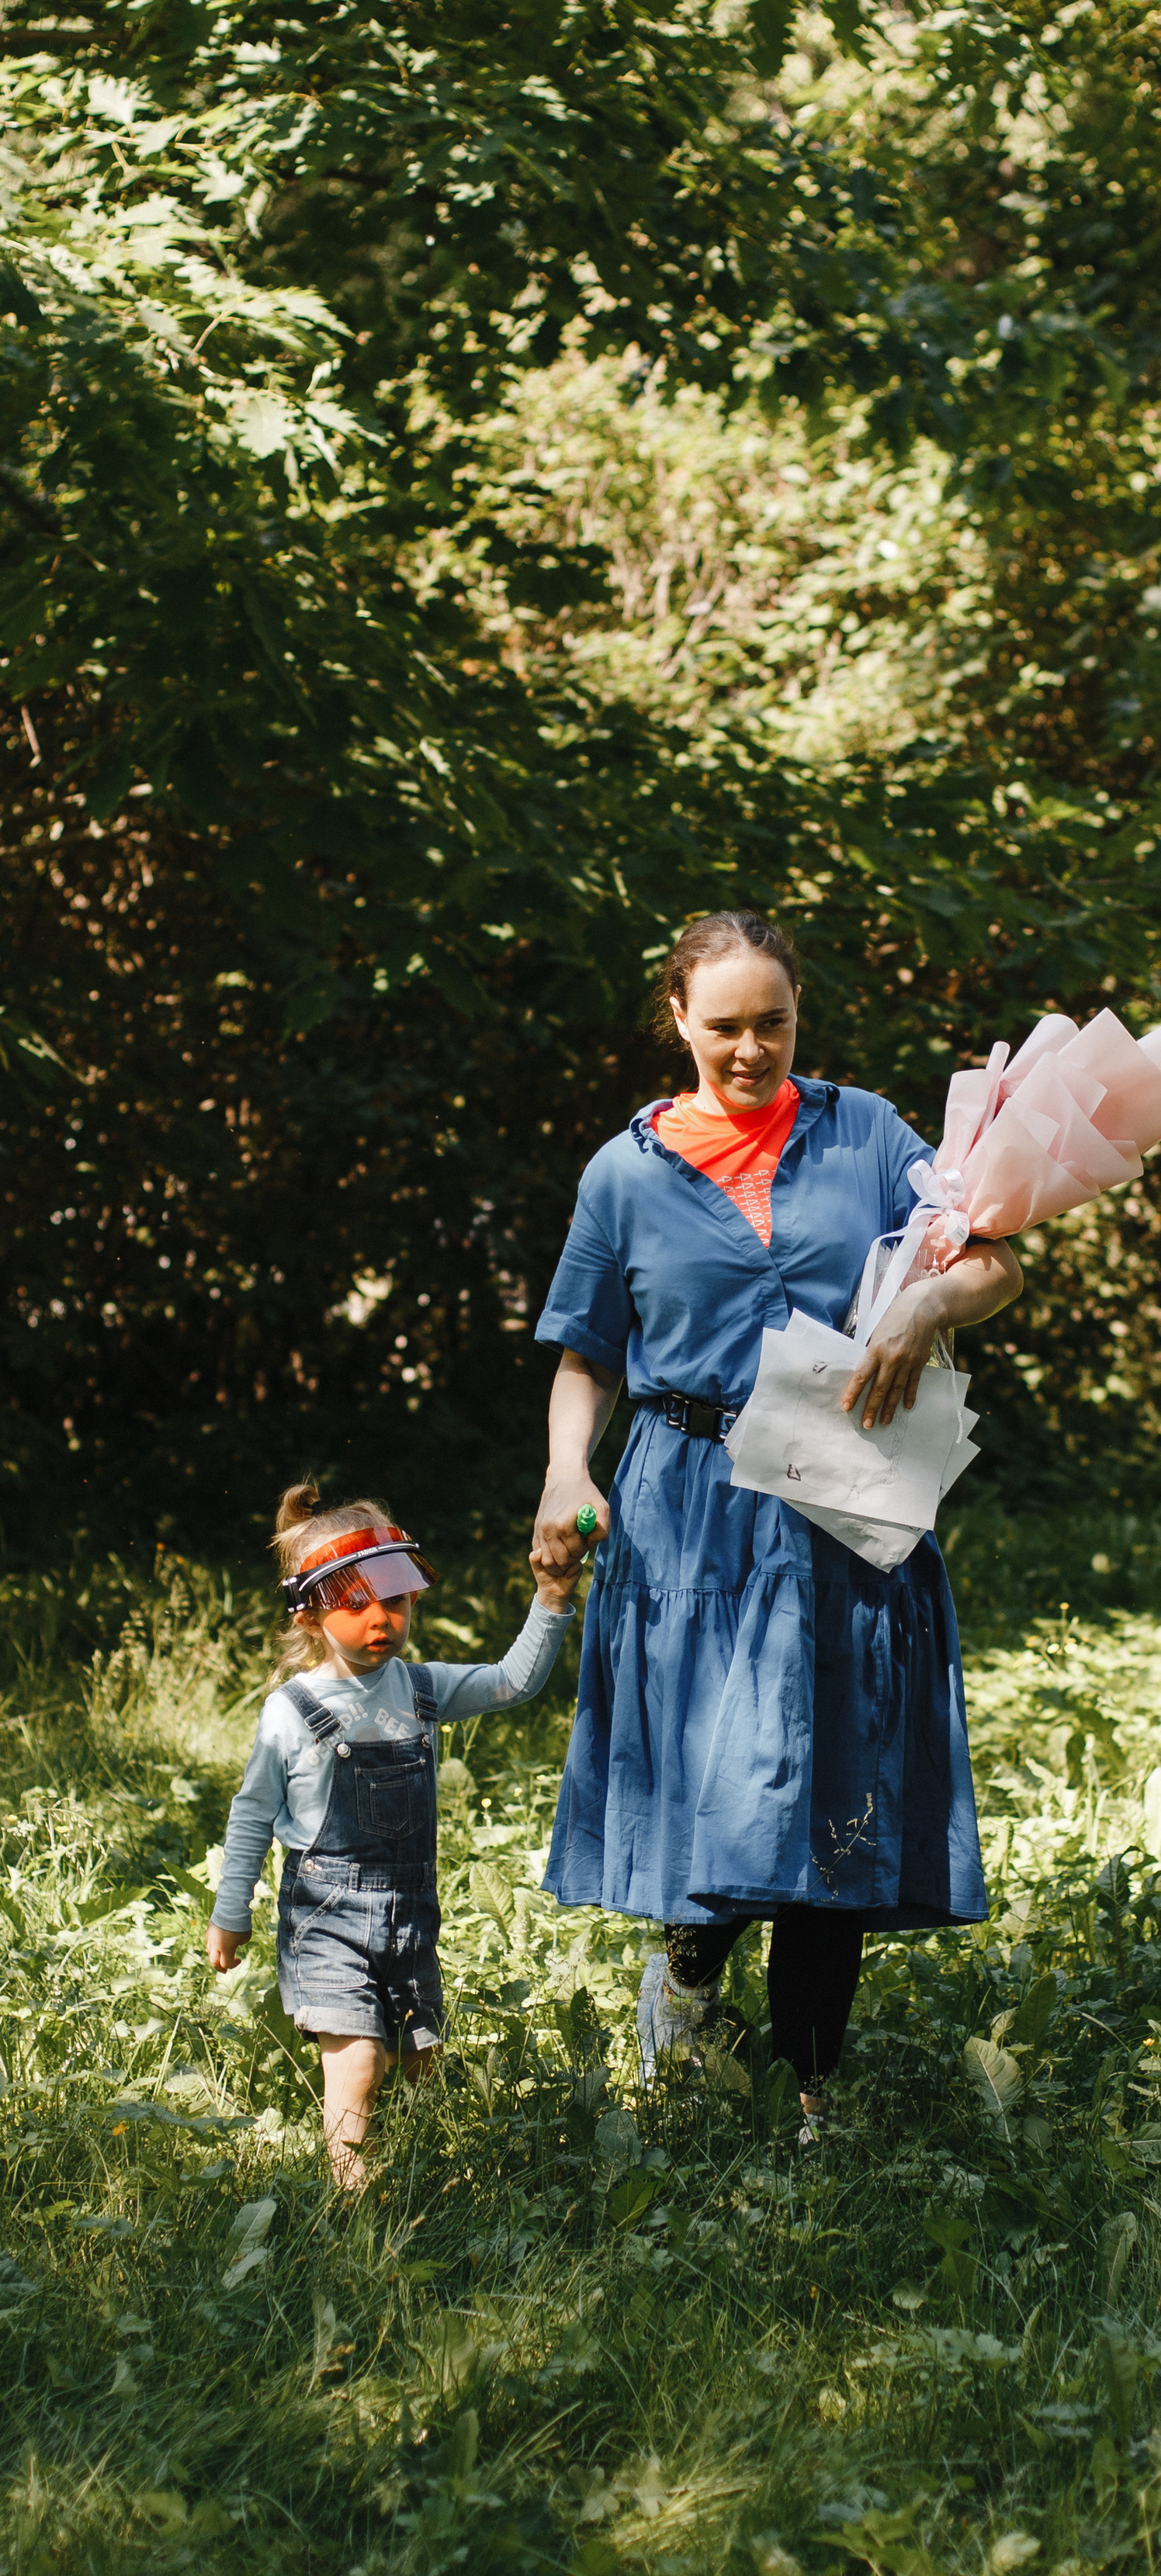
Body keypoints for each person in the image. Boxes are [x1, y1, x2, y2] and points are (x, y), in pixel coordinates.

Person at [530, 909, 1022, 2141]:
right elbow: (587, 1353)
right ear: (679, 1021)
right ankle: (689, 1975)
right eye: (727, 1026)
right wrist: (564, 1470)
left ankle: (813, 2091)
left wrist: (925, 1309)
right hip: (689, 1507)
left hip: (843, 1492)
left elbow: (997, 1258)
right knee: (718, 1771)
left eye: (775, 1023)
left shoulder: (867, 1133)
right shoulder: (624, 1175)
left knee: (834, 1782)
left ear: (800, 1014)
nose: (752, 1048)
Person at [207, 1481, 574, 2184]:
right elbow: (251, 1813)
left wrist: (552, 1597)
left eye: (397, 1601)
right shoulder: (291, 1712)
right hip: (326, 1921)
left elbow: (513, 1682)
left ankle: (423, 2182)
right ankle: (351, 2198)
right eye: (356, 1604)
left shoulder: (422, 1690)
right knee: (359, 2062)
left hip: (410, 1918)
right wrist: (231, 1911)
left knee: (419, 2064)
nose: (382, 1619)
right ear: (311, 1614)